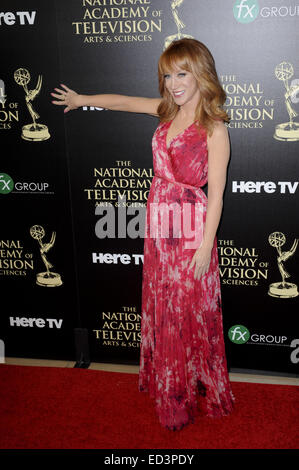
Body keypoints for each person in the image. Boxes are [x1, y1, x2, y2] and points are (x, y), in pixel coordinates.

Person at [51, 38, 235, 431]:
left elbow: (217, 196)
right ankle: (169, 387)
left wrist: (205, 247)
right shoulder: (165, 112)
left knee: (186, 311)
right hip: (158, 223)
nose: (173, 83)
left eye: (181, 73)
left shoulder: (214, 129)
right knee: (164, 306)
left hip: (189, 226)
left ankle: (187, 394)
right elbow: (122, 101)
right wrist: (82, 98)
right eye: (168, 75)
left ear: (200, 73)